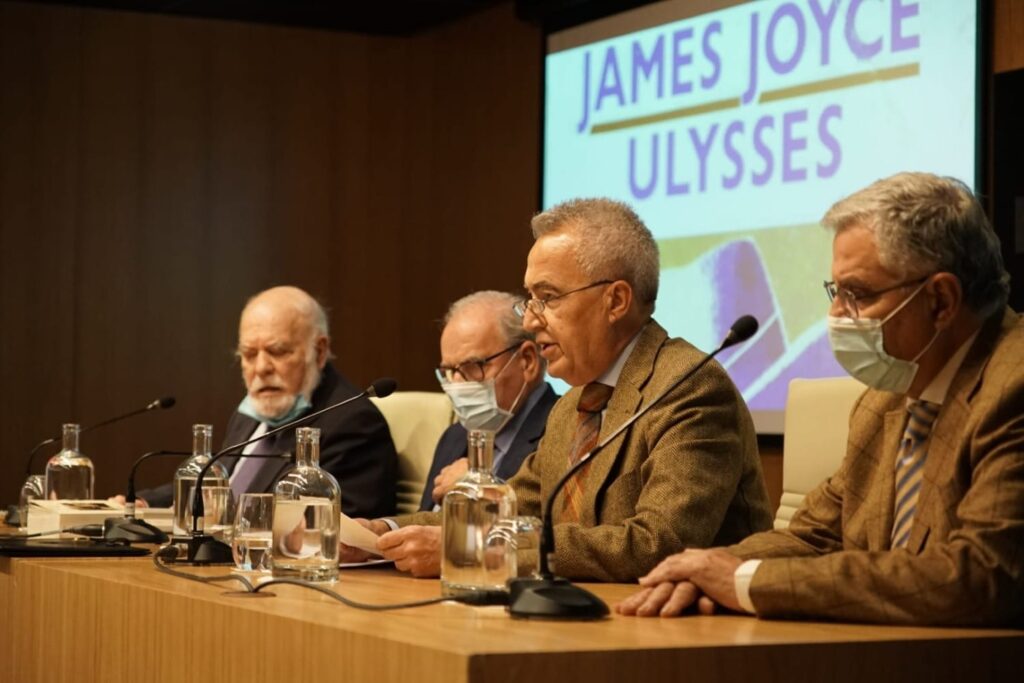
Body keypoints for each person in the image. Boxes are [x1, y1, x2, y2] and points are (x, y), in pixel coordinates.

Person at [617, 172, 1024, 626]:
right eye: (836, 292)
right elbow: (812, 536)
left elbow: (979, 576)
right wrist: (699, 572)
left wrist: (745, 581)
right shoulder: (881, 404)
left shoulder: (1013, 386)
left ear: (941, 300)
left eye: (857, 294)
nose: (834, 315)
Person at [343, 198, 773, 580]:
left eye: (547, 297)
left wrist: (473, 549)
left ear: (616, 301)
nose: (530, 320)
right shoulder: (575, 403)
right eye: (529, 300)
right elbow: (513, 504)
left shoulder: (690, 387)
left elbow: (658, 542)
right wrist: (384, 531)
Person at [138, 286, 398, 519]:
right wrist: (146, 501)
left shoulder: (352, 423)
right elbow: (219, 483)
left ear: (318, 352)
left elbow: (323, 527)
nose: (261, 368)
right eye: (249, 354)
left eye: (278, 351)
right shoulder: (252, 411)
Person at [419, 290, 558, 512]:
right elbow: (424, 524)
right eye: (449, 371)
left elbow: (553, 529)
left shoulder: (564, 430)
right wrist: (386, 527)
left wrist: (480, 490)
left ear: (527, 361)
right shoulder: (454, 437)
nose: (457, 384)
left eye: (473, 366)